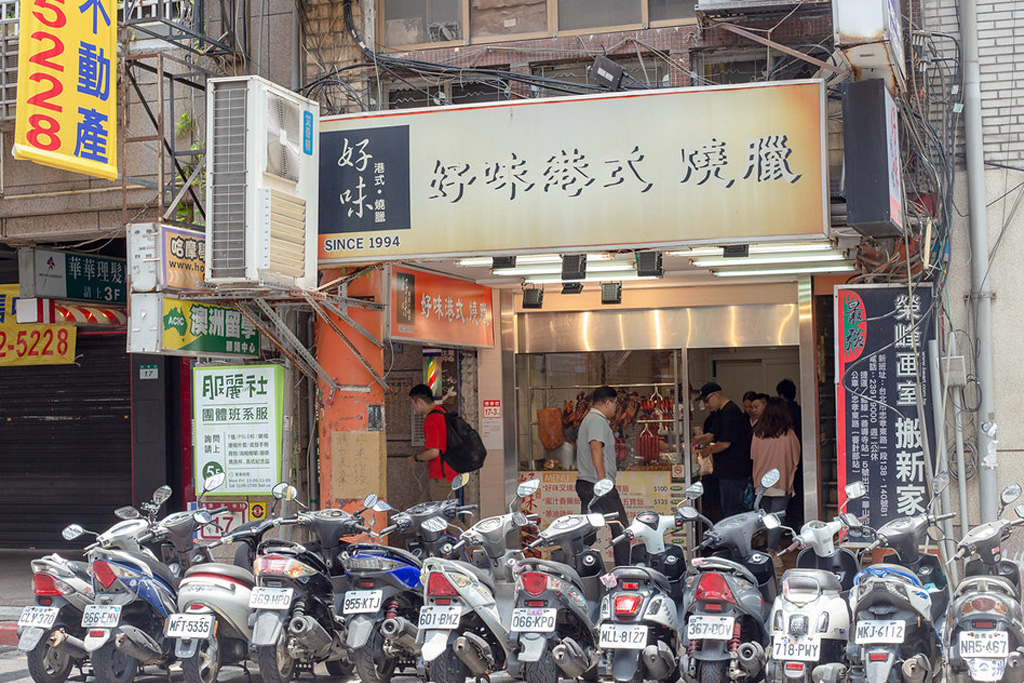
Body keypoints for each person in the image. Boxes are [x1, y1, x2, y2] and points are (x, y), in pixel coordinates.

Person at [575, 385, 630, 568]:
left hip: (587, 483)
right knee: (621, 528)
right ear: (607, 403)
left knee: (588, 531)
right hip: (597, 484)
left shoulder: (590, 419)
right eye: (615, 403)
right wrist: (602, 479)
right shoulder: (597, 420)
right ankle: (623, 571)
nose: (616, 407)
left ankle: (579, 566)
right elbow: (595, 447)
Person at [692, 382, 752, 519]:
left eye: (707, 400)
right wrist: (695, 441)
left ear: (717, 395)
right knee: (727, 509)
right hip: (725, 471)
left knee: (731, 512)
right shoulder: (720, 413)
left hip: (734, 472)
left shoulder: (731, 412)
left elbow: (725, 443)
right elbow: (711, 435)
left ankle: (734, 534)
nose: (707, 405)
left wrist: (706, 451)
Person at [751, 397, 801, 555]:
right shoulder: (789, 434)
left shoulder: (757, 434)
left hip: (761, 483)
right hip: (781, 481)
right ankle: (771, 551)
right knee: (776, 519)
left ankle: (772, 547)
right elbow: (796, 458)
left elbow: (753, 456)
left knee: (768, 517)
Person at [408, 384, 457, 501]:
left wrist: (416, 457)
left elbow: (434, 452)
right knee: (422, 509)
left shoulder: (432, 419)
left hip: (440, 476)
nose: (413, 408)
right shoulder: (442, 411)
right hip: (447, 474)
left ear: (419, 402)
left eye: (413, 404)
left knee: (442, 512)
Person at [776, 378, 805, 530]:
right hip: (801, 456)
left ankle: (790, 524)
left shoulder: (781, 413)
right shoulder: (800, 410)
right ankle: (800, 521)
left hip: (785, 459)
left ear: (781, 395)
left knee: (788, 492)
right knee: (798, 491)